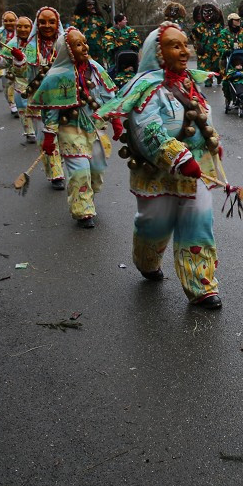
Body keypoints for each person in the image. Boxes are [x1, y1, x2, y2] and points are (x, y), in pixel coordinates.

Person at [97, 23, 226, 309]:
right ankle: (147, 261)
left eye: (185, 44)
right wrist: (179, 157)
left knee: (199, 222)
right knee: (154, 224)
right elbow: (147, 129)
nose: (185, 51)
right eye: (175, 45)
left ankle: (202, 286)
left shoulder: (190, 82)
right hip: (156, 172)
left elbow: (203, 120)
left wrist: (211, 145)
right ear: (158, 52)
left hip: (194, 173)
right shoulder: (145, 87)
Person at [30, 28, 117, 228]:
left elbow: (109, 95)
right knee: (80, 170)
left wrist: (116, 120)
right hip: (70, 129)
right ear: (67, 50)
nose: (85, 47)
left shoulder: (95, 69)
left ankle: (87, 196)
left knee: (97, 169)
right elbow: (51, 109)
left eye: (85, 42)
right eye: (78, 44)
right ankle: (83, 211)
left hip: (95, 127)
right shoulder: (56, 76)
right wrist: (50, 136)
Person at [11, 7, 66, 189]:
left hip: (64, 99)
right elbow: (22, 74)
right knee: (45, 137)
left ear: (57, 23)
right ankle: (55, 174)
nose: (47, 25)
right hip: (40, 101)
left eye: (51, 22)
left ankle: (67, 162)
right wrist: (20, 61)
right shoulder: (31, 47)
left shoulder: (66, 45)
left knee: (64, 135)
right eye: (42, 22)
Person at [0, 15, 35, 142]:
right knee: (23, 106)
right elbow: (4, 62)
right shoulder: (12, 44)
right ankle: (29, 132)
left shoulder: (38, 42)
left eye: (26, 26)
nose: (23, 29)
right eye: (19, 26)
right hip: (20, 81)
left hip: (38, 81)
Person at [101, 13, 142, 87]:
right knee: (114, 74)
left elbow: (136, 38)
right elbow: (107, 42)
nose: (126, 21)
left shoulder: (129, 30)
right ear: (119, 22)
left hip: (130, 57)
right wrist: (113, 48)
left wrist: (134, 46)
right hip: (115, 59)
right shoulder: (110, 32)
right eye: (124, 20)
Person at [191, 0, 225, 85]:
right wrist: (198, 47)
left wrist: (221, 48)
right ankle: (208, 82)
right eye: (204, 13)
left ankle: (219, 76)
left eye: (209, 13)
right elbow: (195, 39)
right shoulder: (199, 27)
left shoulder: (218, 27)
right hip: (204, 53)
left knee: (217, 67)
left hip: (216, 52)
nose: (207, 16)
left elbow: (222, 38)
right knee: (205, 69)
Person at [72, 0, 108, 69]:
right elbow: (73, 33)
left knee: (99, 70)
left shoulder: (98, 18)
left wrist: (108, 15)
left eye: (93, 5)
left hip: (97, 51)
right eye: (89, 5)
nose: (92, 7)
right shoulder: (78, 18)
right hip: (84, 50)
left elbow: (106, 32)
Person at [0, 11, 18, 114]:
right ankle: (11, 104)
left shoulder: (22, 29)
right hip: (3, 62)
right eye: (6, 21)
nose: (8, 23)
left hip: (18, 61)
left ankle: (19, 103)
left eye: (11, 20)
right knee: (7, 84)